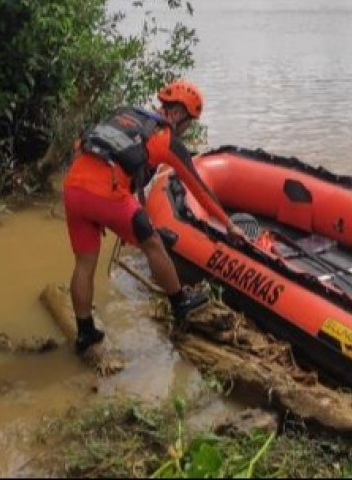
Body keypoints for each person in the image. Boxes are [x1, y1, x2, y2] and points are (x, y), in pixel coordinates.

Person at [62, 80, 250, 354]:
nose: (186, 130)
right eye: (188, 123)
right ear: (177, 115)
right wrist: (230, 224)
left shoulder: (125, 113)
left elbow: (82, 145)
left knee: (84, 264)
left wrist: (94, 203)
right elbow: (199, 188)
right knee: (153, 244)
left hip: (73, 190)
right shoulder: (166, 138)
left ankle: (85, 332)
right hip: (109, 194)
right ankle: (180, 303)